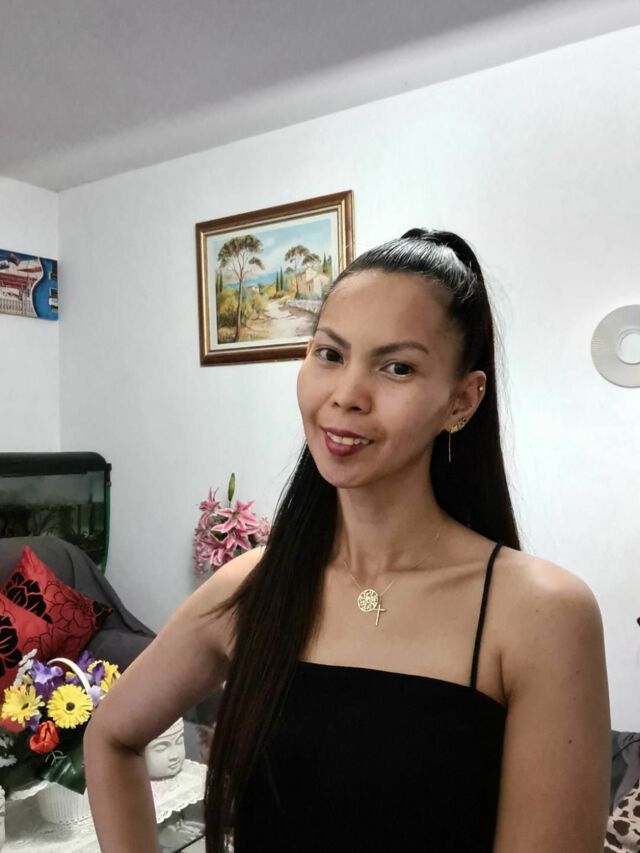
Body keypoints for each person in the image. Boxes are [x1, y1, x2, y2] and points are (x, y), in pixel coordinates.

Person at [84, 228, 611, 852]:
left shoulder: (540, 614)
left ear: (462, 400)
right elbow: (111, 735)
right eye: (330, 354)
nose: (346, 396)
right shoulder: (254, 587)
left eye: (397, 367)